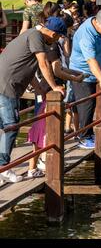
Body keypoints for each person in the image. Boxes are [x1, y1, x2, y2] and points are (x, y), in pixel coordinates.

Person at [0, 21, 65, 184]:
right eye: (57, 37)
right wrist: (54, 86)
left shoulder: (31, 35)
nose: (56, 41)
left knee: (5, 126)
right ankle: (4, 168)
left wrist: (40, 90)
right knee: (11, 126)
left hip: (6, 85)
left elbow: (30, 68)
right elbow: (43, 64)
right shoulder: (36, 36)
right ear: (53, 34)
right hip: (7, 86)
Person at [27, 17, 85, 178]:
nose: (62, 37)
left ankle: (37, 164)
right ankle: (43, 161)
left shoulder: (51, 44)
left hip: (49, 90)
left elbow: (61, 68)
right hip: (48, 92)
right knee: (44, 127)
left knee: (44, 126)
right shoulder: (51, 48)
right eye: (61, 35)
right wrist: (76, 78)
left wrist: (75, 74)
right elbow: (57, 71)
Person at [69, 10, 101, 149]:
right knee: (86, 105)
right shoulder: (86, 35)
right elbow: (91, 61)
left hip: (97, 71)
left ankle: (90, 132)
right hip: (82, 73)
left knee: (95, 103)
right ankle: (84, 137)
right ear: (96, 22)